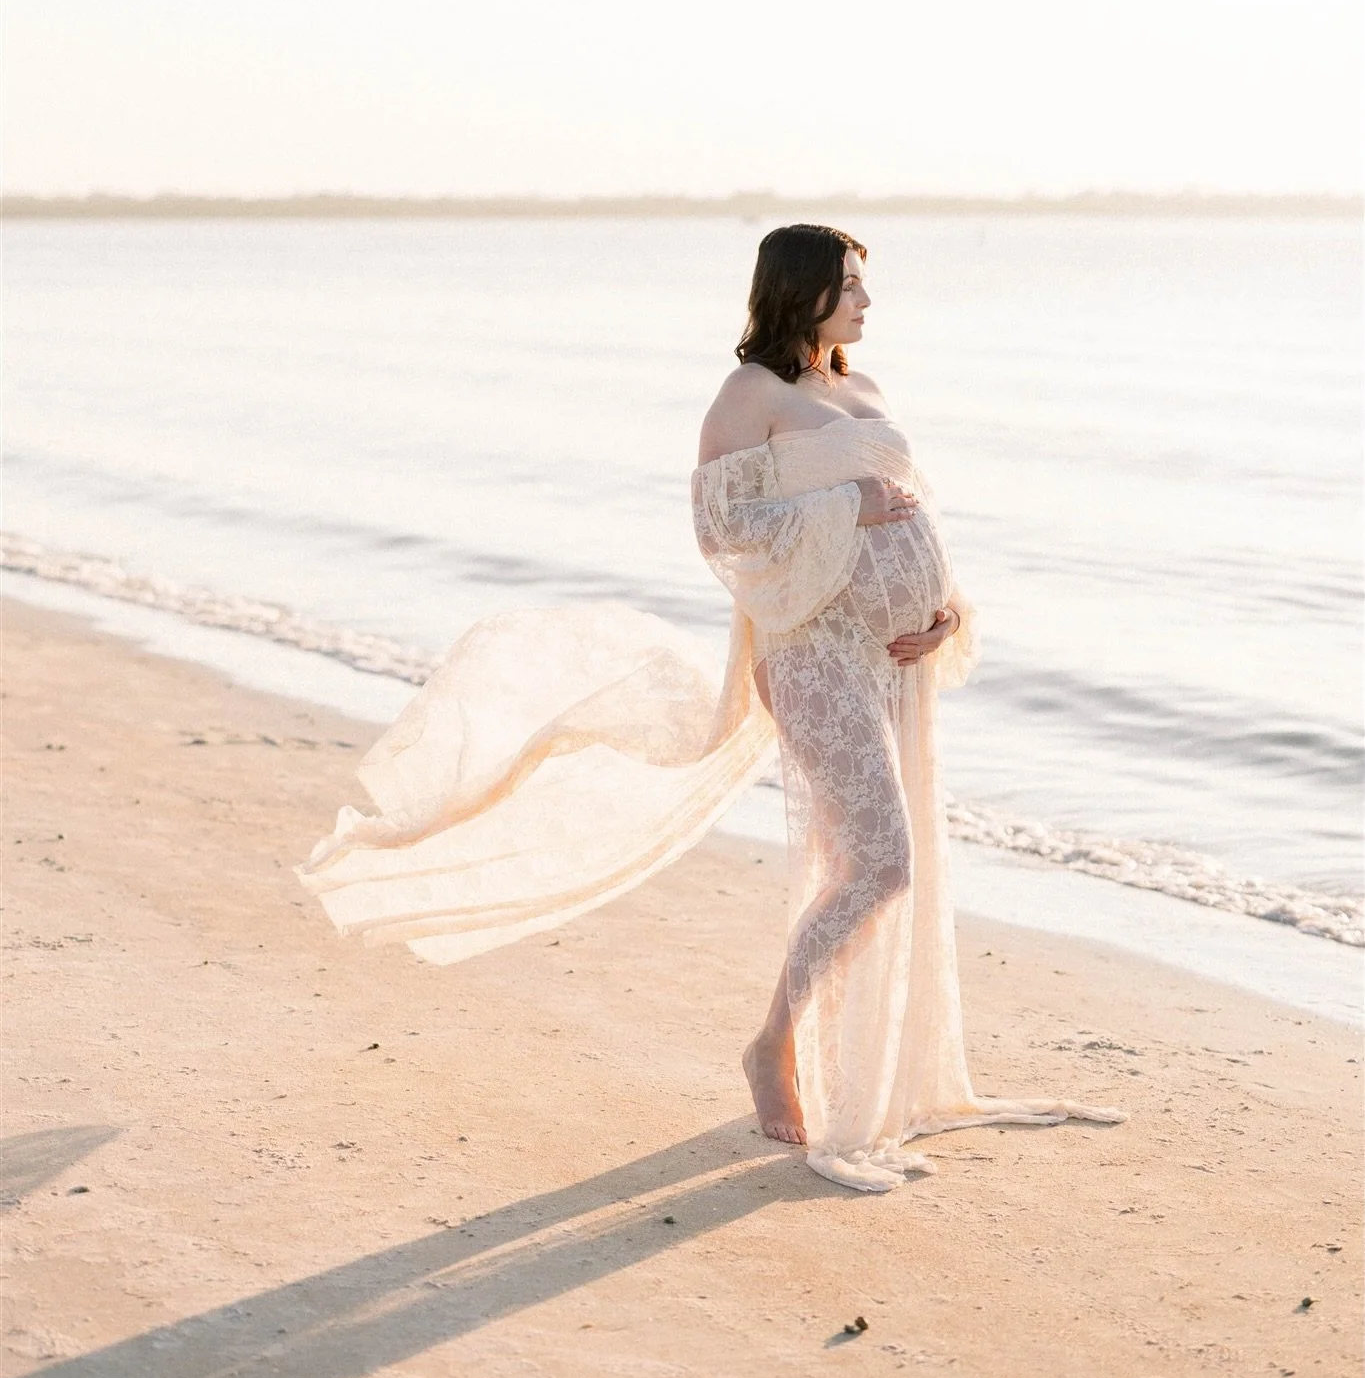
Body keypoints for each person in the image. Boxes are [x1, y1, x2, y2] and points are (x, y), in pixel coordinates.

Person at [298, 222, 1125, 1194]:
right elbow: (722, 529)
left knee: (876, 859)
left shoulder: (861, 387)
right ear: (801, 289)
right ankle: (774, 1044)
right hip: (813, 653)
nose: (867, 301)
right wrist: (846, 508)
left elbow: (913, 509)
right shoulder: (749, 395)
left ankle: (854, 1059)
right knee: (880, 860)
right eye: (851, 285)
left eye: (866, 284)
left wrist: (945, 606)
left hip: (891, 657)